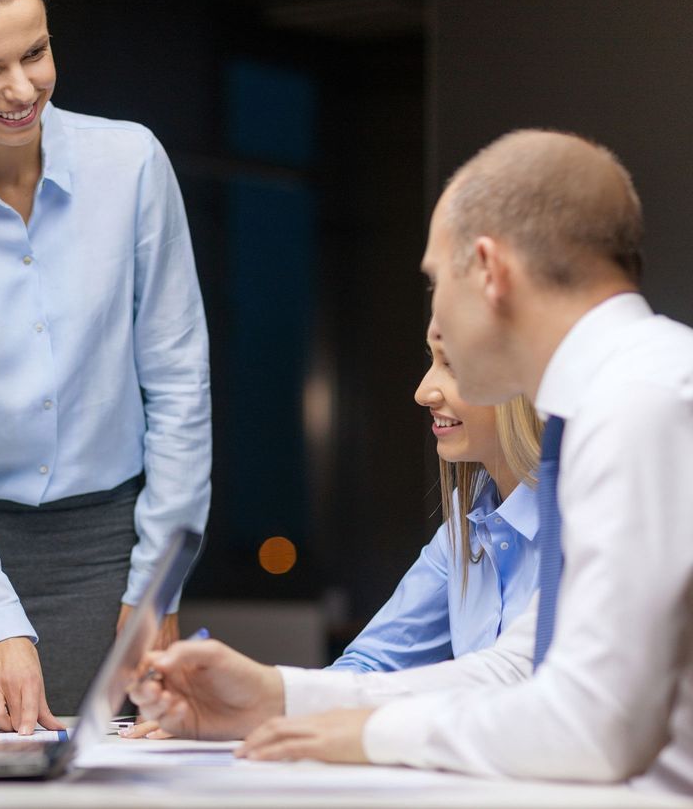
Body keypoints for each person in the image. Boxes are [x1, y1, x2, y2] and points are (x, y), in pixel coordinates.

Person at [133, 129, 693, 796]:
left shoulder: (638, 402)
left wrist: (365, 736)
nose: (434, 323)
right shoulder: (631, 387)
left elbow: (593, 723)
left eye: (434, 281)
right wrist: (276, 694)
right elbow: (521, 663)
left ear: (489, 270)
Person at [0, 0, 211, 732]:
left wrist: (159, 582)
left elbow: (179, 381)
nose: (22, 89)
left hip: (111, 551)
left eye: (35, 53)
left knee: (111, 779)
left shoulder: (132, 165)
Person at [122, 318, 542, 739]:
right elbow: (371, 664)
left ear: (524, 375)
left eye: (451, 364)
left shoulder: (585, 518)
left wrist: (268, 698)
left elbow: (517, 685)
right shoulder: (465, 525)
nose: (422, 392)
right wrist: (243, 711)